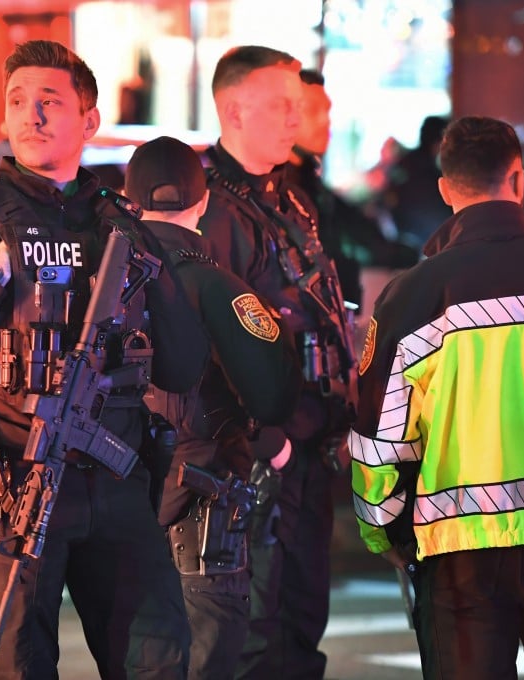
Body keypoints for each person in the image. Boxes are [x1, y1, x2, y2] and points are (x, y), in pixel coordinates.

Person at [0, 40, 209, 679]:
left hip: (113, 484)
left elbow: (181, 366)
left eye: (50, 102)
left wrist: (161, 266)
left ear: (88, 121)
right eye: (18, 101)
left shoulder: (120, 225)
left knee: (158, 660)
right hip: (9, 486)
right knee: (23, 667)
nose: (32, 115)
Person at [350, 115, 524, 679]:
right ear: (518, 181)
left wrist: (384, 531)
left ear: (446, 189)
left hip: (458, 552)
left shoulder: (416, 295)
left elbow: (380, 436)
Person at [199, 45, 358, 679]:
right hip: (254, 456)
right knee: (256, 635)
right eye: (282, 105)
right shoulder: (208, 209)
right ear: (235, 110)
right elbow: (203, 339)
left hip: (312, 447)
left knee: (301, 623)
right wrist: (265, 438)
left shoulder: (292, 199)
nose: (297, 118)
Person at [124, 135, 302, 679]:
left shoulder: (98, 281)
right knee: (206, 657)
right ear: (203, 205)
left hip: (114, 507)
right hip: (200, 516)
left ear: (129, 203)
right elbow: (275, 393)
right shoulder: (220, 285)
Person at [285, 69, 418, 309]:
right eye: (313, 111)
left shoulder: (310, 181)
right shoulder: (277, 189)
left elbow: (356, 227)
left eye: (327, 110)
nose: (326, 120)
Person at [381, 114, 452, 249]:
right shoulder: (434, 174)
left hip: (404, 243)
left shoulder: (403, 165)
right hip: (430, 245)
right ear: (440, 142)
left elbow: (388, 202)